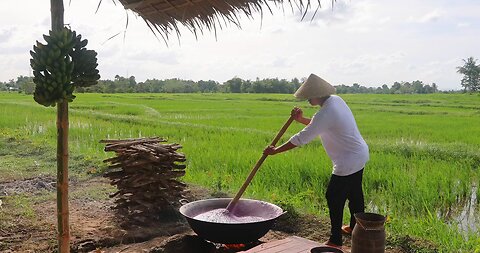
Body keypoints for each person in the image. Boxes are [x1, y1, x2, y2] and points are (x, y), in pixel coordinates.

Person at [263, 73, 369, 248]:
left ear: (318, 94)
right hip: (359, 154)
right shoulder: (336, 100)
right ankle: (355, 227)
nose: (307, 100)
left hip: (348, 160)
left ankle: (335, 240)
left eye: (308, 97)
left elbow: (301, 138)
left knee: (333, 196)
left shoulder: (326, 112)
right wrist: (300, 119)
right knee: (354, 193)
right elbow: (318, 125)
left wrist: (275, 151)